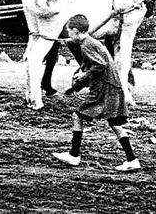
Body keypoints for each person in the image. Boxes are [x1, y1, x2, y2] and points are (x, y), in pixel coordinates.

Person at [51, 13, 140, 172]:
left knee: (77, 116)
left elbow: (100, 66)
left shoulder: (86, 45)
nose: (69, 36)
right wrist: (76, 87)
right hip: (113, 87)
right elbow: (98, 66)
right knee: (115, 124)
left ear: (76, 31)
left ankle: (74, 155)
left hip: (104, 88)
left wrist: (78, 82)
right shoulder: (92, 42)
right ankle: (132, 160)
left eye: (70, 32)